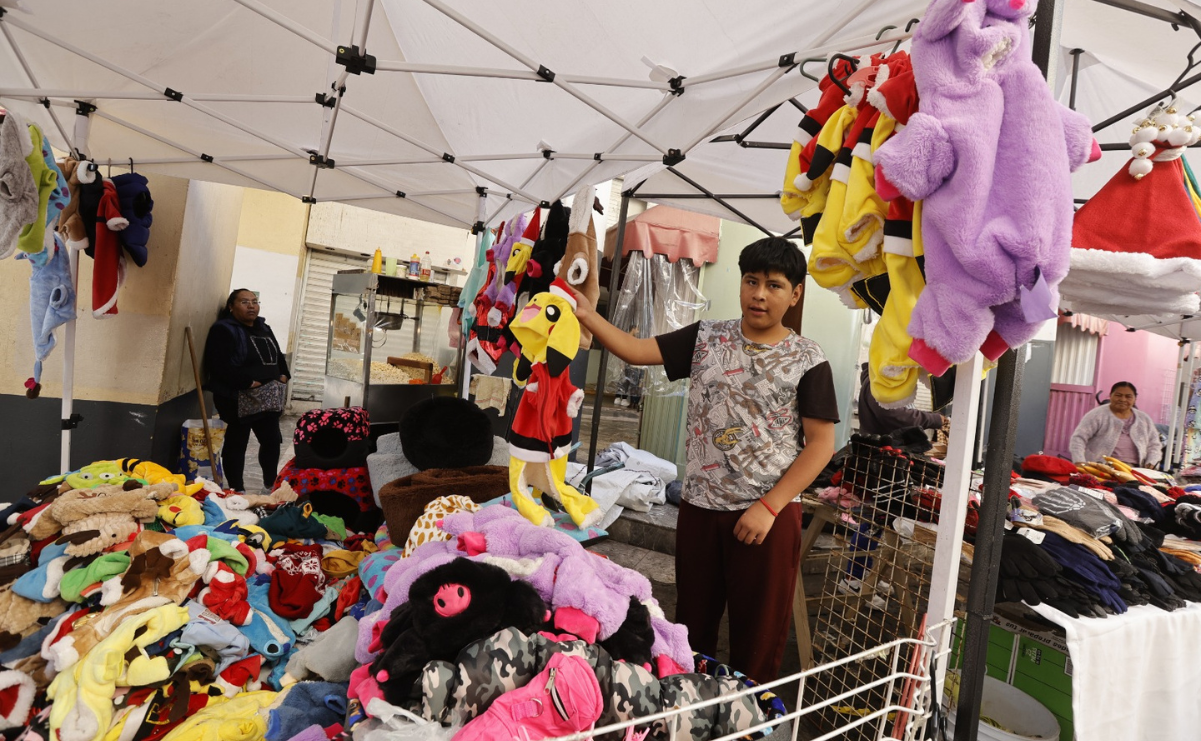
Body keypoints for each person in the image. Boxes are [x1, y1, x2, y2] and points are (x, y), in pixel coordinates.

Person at [572, 237, 838, 682]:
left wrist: (768, 507)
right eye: (751, 281)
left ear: (794, 294)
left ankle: (749, 720)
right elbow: (637, 350)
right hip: (699, 507)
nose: (758, 294)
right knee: (691, 624)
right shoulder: (706, 337)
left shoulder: (808, 359)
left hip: (766, 518)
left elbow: (820, 444)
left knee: (759, 634)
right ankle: (689, 707)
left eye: (774, 286)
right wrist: (585, 313)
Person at [204, 289, 291, 493]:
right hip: (236, 397)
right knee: (237, 443)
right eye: (244, 302)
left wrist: (284, 375)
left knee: (271, 440)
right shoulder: (224, 329)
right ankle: (237, 489)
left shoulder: (264, 327)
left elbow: (278, 355)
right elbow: (217, 364)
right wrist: (247, 382)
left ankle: (270, 484)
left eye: (254, 301)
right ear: (231, 307)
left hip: (267, 397)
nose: (251, 306)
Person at [1070, 381, 1162, 468]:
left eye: (1128, 396)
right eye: (1118, 395)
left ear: (1135, 399)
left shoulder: (1144, 418)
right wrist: (1079, 461)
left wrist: (1152, 462)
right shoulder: (1096, 415)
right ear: (1110, 396)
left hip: (1135, 469)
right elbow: (1078, 438)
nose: (1123, 399)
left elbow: (1154, 445)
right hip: (1100, 466)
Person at [857, 362, 946, 436]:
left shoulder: (881, 381)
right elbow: (892, 414)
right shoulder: (879, 382)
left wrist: (934, 417)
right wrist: (934, 419)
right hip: (883, 451)